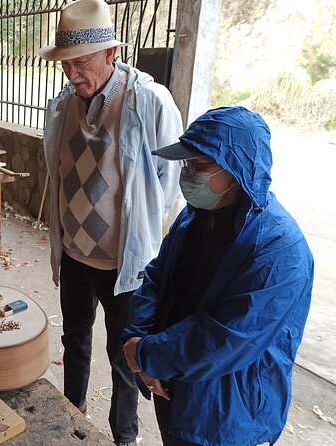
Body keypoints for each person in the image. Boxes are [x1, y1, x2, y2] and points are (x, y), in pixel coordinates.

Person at [122, 106, 314, 445]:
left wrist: (146, 355)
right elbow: (157, 277)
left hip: (227, 418)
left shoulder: (279, 250)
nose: (188, 175)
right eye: (186, 164)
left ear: (239, 171)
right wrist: (141, 339)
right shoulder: (194, 216)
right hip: (172, 384)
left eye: (200, 166)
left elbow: (225, 339)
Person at [39, 0, 183, 443]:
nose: (72, 74)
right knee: (75, 343)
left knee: (125, 358)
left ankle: (124, 437)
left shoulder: (148, 102)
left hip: (126, 265)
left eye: (81, 63)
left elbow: (168, 182)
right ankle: (72, 419)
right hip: (77, 256)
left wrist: (141, 236)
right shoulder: (64, 104)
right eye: (66, 65)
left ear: (112, 54)